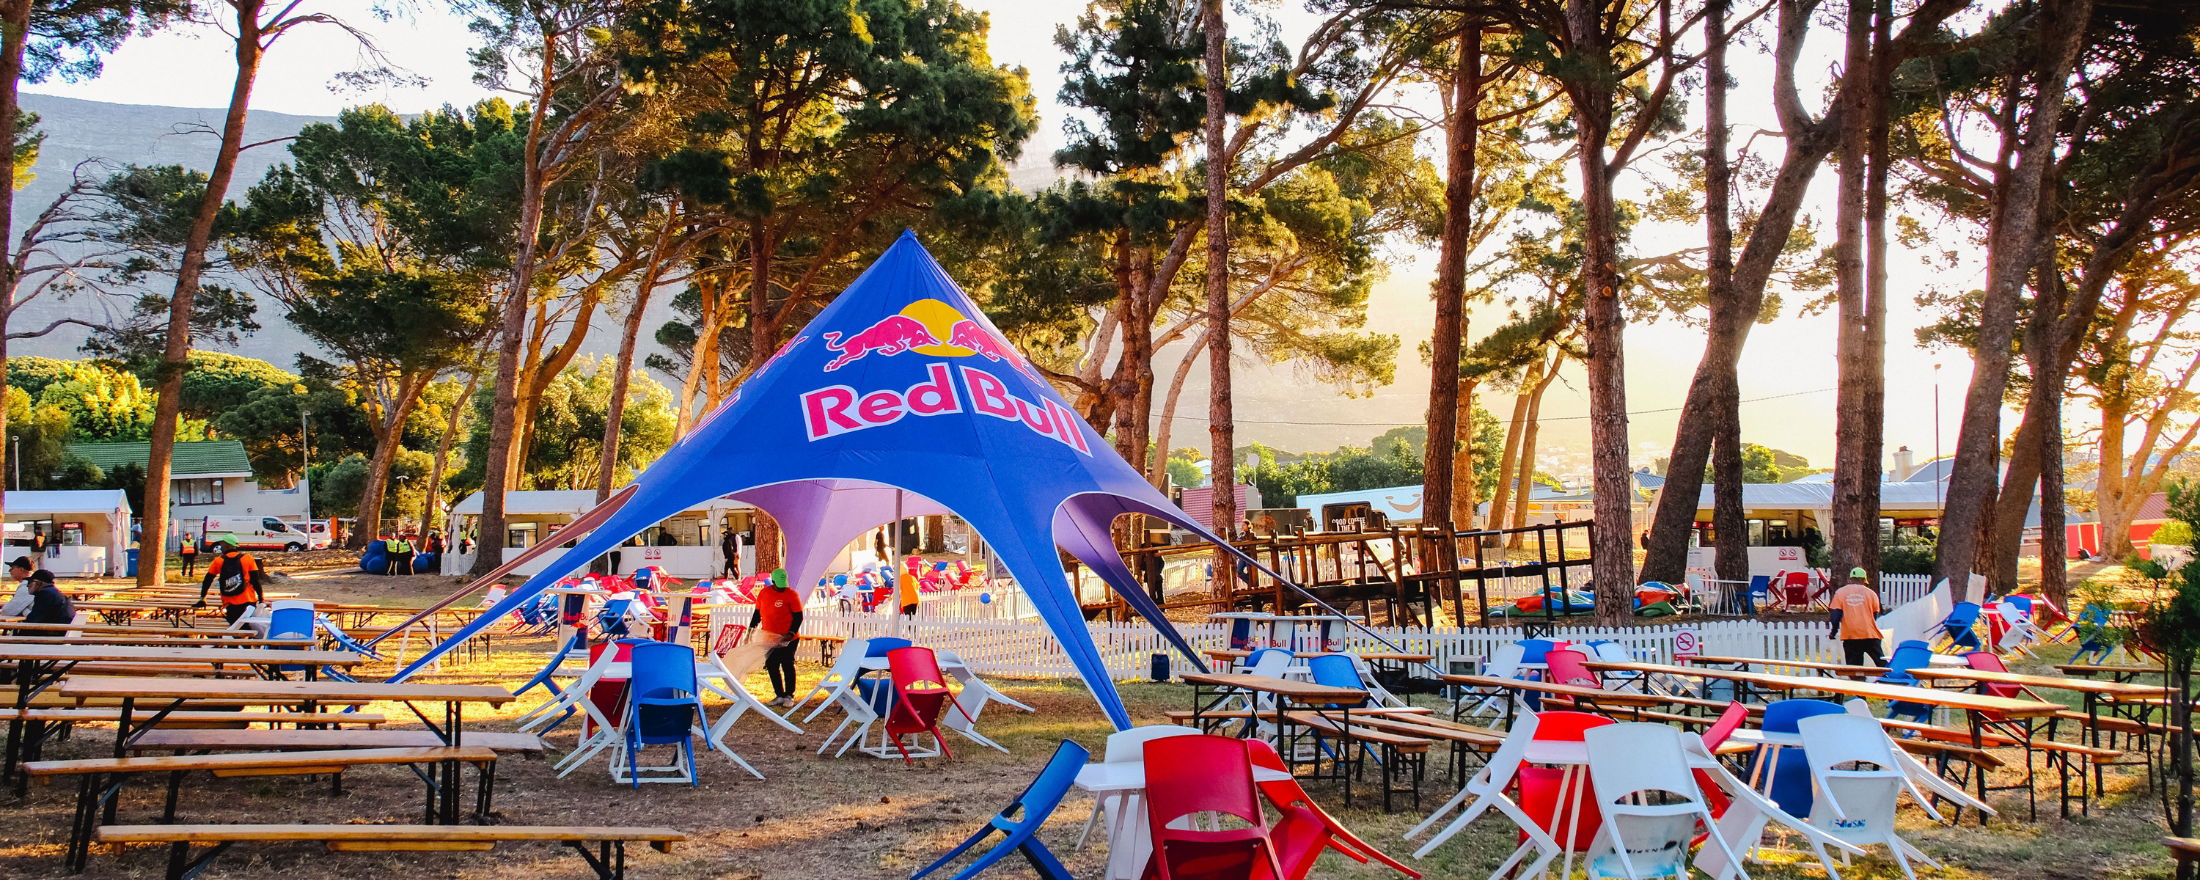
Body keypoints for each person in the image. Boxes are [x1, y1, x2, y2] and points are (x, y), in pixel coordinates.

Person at [747, 569, 805, 709]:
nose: (781, 587)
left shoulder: (791, 594)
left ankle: (789, 695)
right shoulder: (764, 593)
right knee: (772, 665)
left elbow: (798, 617)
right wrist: (750, 631)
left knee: (787, 664)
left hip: (788, 638)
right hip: (769, 638)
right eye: (779, 584)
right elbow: (757, 614)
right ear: (773, 581)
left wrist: (790, 633)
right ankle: (779, 695)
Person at [1827, 566, 1886, 667]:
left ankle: (1857, 677)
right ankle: (1890, 676)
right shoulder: (1872, 594)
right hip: (1870, 635)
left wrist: (1833, 632)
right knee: (1882, 665)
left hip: (1851, 636)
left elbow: (1835, 616)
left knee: (1854, 668)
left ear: (1850, 579)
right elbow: (1874, 615)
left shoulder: (1840, 593)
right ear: (1864, 580)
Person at [196, 541, 264, 625]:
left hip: (229, 602)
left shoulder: (218, 561)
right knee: (249, 627)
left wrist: (202, 597)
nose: (221, 548)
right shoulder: (247, 558)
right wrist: (261, 598)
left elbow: (208, 580)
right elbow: (255, 580)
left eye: (222, 545)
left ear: (227, 546)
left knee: (235, 628)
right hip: (248, 599)